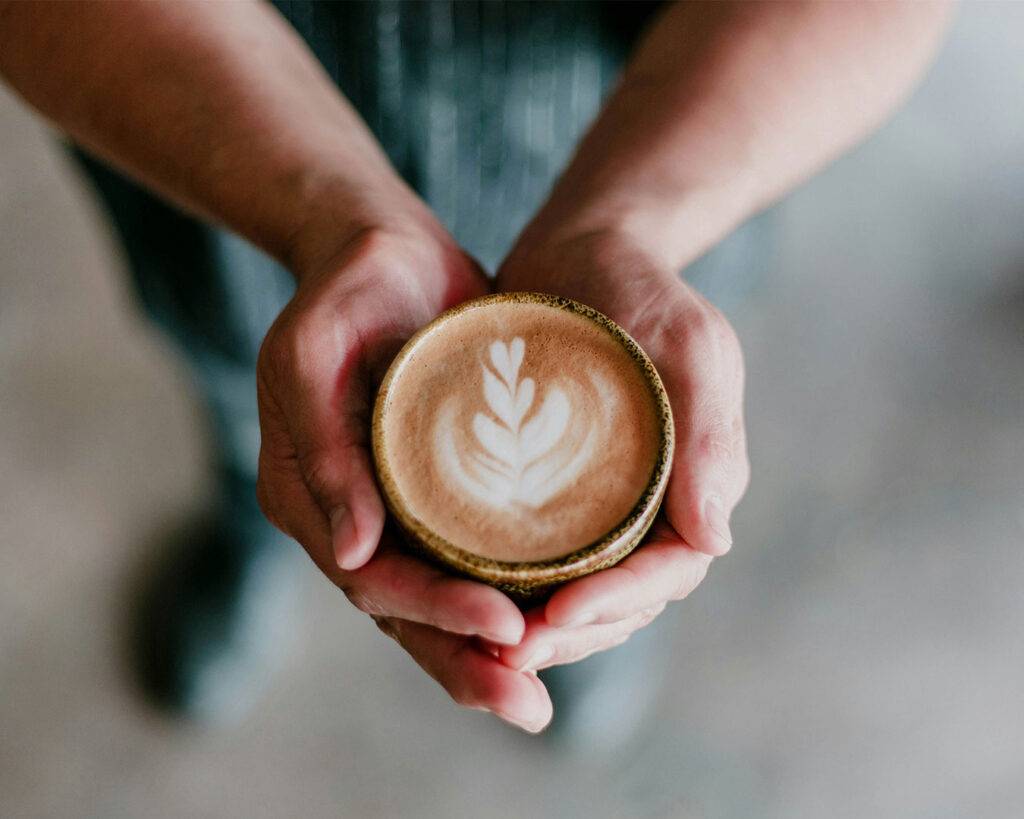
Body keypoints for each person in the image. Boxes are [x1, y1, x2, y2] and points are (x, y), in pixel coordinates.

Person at [0, 1, 950, 735]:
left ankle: (572, 606)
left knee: (631, 451)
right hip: (222, 154)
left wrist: (625, 220)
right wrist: (330, 210)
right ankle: (252, 524)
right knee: (258, 411)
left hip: (664, 150)